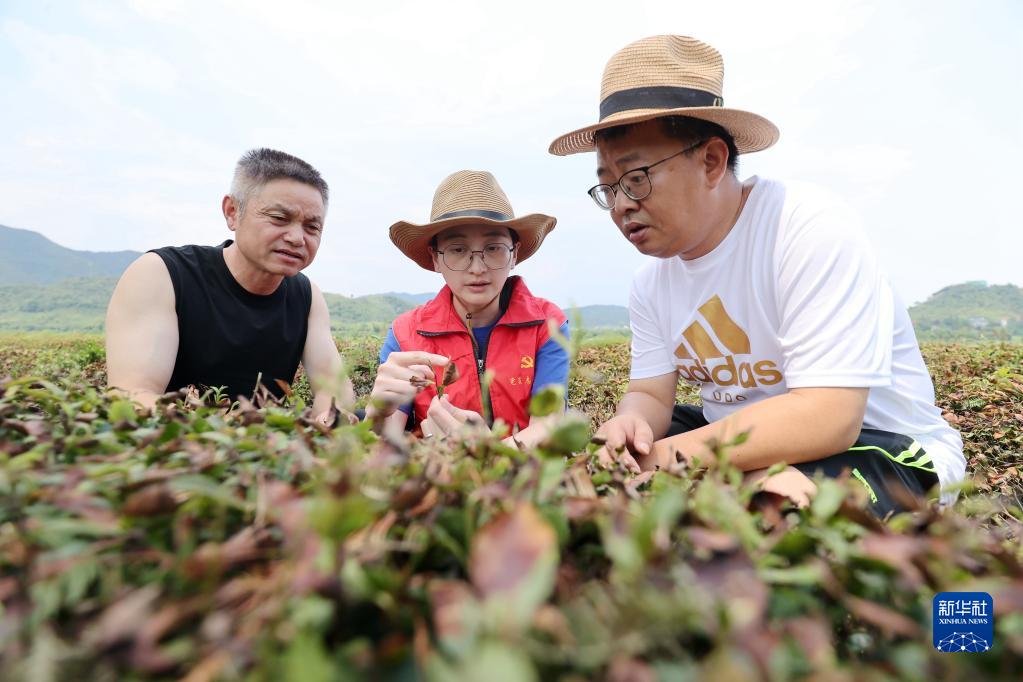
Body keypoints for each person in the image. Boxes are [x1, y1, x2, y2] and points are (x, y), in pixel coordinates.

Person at [548, 35, 965, 516]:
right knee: (608, 466)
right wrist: (632, 425)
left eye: (636, 178)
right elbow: (649, 394)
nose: (622, 205)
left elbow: (829, 415)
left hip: (877, 445)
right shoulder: (651, 282)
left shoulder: (805, 228)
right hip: (743, 437)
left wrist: (662, 458)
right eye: (608, 188)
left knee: (778, 503)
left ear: (711, 161)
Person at [106, 148, 350, 417]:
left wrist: (328, 420)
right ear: (232, 212)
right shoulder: (161, 274)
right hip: (176, 439)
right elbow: (134, 395)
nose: (297, 238)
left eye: (312, 227)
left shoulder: (306, 296)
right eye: (279, 218)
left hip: (269, 440)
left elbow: (334, 391)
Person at [367, 170, 569, 446]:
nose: (477, 268)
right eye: (458, 250)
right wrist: (377, 413)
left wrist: (487, 453)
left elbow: (547, 427)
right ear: (435, 258)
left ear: (514, 254)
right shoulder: (406, 333)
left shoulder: (547, 325)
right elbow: (386, 434)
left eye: (493, 248)